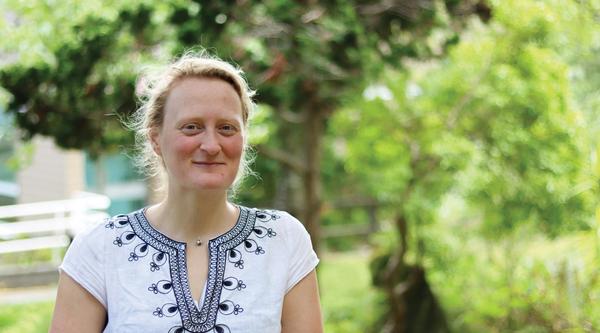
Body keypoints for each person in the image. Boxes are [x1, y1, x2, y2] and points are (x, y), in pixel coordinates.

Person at [50, 52, 323, 333]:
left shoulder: (283, 240)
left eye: (227, 128)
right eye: (191, 127)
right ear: (156, 138)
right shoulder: (99, 249)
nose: (211, 145)